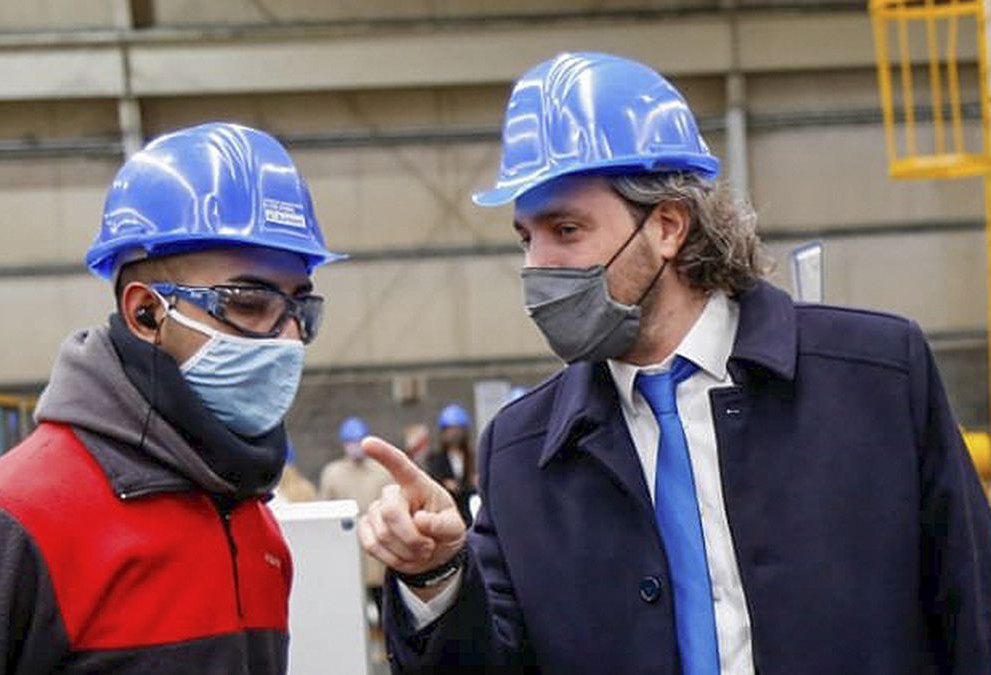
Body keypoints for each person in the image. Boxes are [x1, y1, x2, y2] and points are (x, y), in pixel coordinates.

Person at [357, 52, 991, 674]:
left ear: (666, 226)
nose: (536, 266)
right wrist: (436, 574)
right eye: (527, 238)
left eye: (567, 230)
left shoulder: (875, 381)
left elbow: (973, 610)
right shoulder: (521, 456)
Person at [0, 122, 344, 674]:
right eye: (248, 303)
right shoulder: (4, 527)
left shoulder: (251, 522)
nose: (288, 337)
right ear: (145, 312)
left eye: (300, 307)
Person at [320, 416, 394, 619]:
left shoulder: (381, 472)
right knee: (353, 604)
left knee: (383, 600)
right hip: (346, 543)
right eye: (350, 442)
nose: (355, 447)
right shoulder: (333, 473)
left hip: (377, 543)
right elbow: (326, 511)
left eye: (358, 441)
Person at [423, 403, 476, 525]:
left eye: (458, 429)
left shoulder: (471, 458)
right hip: (444, 515)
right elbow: (432, 480)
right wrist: (445, 484)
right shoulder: (435, 459)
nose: (454, 434)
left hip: (466, 515)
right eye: (450, 429)